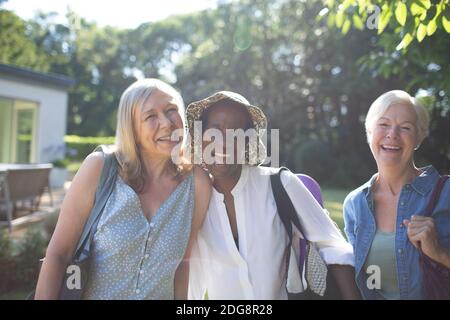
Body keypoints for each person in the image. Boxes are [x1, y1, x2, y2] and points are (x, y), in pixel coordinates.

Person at [34, 78, 211, 299]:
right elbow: (58, 255)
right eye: (150, 116)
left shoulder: (198, 183)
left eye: (171, 110)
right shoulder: (100, 167)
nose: (166, 123)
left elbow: (183, 266)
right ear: (132, 128)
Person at [186, 91, 359, 300]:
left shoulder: (279, 184)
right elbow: (192, 277)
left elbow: (332, 245)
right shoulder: (194, 200)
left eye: (236, 132)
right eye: (215, 130)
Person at [343, 90, 450, 300]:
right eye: (383, 124)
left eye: (405, 127)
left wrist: (439, 253)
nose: (392, 133)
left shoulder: (446, 193)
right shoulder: (354, 204)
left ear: (419, 137)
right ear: (370, 132)